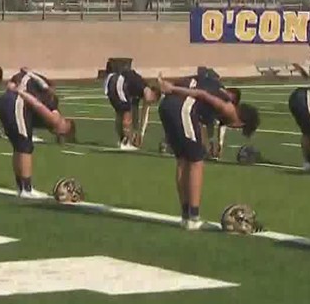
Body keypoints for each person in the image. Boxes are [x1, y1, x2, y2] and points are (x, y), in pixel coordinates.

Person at [157, 68, 260, 229]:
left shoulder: (215, 87)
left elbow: (206, 119)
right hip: (182, 106)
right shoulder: (228, 107)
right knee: (196, 162)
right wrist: (172, 88)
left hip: (167, 105)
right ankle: (193, 217)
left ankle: (186, 216)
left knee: (183, 160)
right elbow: (202, 95)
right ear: (242, 121)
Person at [0, 68, 74, 199]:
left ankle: (22, 187)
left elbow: (18, 80)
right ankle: (27, 189)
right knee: (25, 147)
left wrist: (18, 86)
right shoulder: (54, 112)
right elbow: (37, 104)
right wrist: (21, 92)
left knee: (20, 147)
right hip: (16, 101)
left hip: (7, 101)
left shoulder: (40, 88)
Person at [103, 67, 158, 150]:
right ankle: (126, 141)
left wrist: (140, 134)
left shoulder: (142, 92)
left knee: (120, 113)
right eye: (152, 100)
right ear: (152, 92)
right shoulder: (140, 86)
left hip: (111, 80)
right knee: (126, 112)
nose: (150, 102)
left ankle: (123, 139)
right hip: (117, 80)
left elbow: (143, 114)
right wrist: (134, 133)